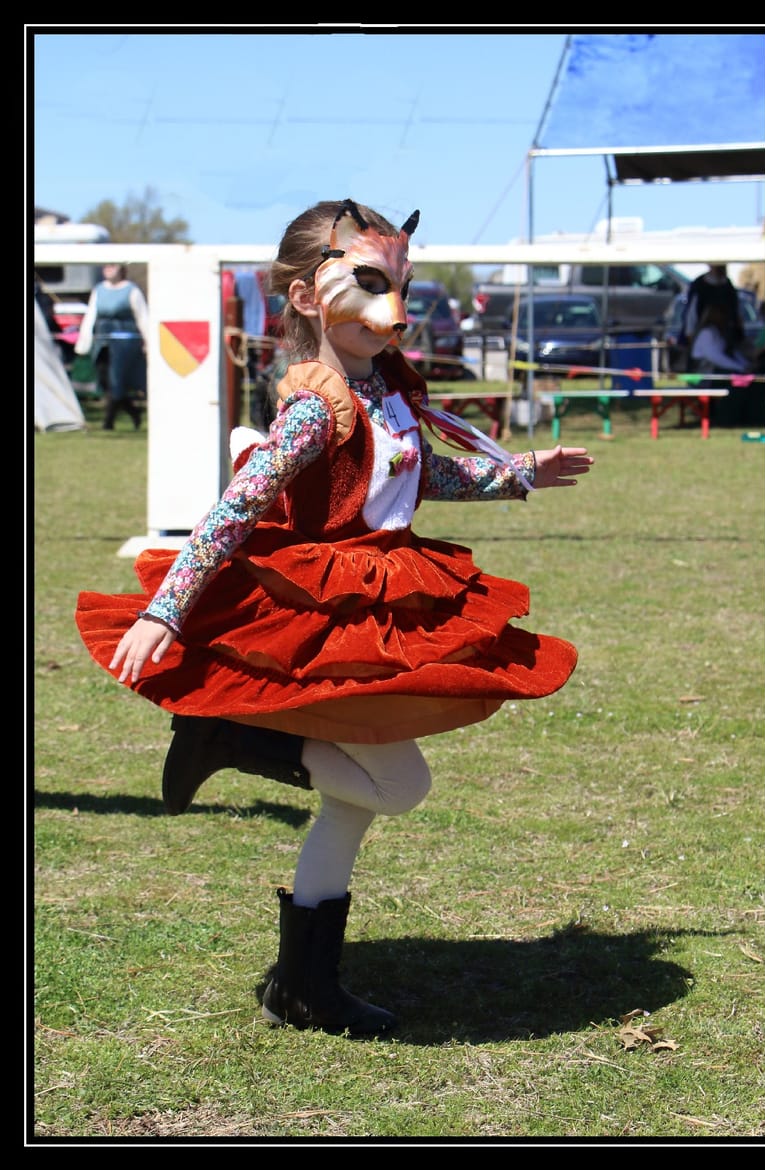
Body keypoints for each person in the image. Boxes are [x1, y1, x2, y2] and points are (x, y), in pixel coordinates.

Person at [74, 199, 594, 1039]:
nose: (394, 311)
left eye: (404, 287)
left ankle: (306, 985)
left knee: (354, 804)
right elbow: (235, 508)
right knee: (401, 783)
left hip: (386, 595)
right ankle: (236, 740)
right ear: (311, 298)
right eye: (371, 283)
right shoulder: (318, 405)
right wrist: (168, 609)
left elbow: (418, 480)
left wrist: (516, 473)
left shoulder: (383, 387)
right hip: (328, 606)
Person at [74, 262, 148, 430]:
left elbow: (143, 317)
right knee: (105, 382)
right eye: (106, 266)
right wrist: (83, 342)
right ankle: (132, 411)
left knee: (117, 381)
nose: (108, 269)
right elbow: (90, 316)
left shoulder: (132, 290)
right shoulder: (99, 290)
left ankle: (108, 422)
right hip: (103, 342)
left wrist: (148, 343)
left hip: (125, 344)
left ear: (121, 269)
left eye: (112, 266)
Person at [690, 302, 753, 428]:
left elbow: (730, 354)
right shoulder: (707, 333)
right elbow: (715, 357)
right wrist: (740, 368)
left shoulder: (719, 333)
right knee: (737, 384)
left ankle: (744, 417)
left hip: (719, 374)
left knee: (747, 383)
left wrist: (746, 365)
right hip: (705, 377)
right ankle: (726, 419)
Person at [680, 263, 744, 366]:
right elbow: (691, 314)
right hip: (702, 331)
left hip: (725, 330)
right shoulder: (700, 284)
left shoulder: (727, 285)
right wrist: (690, 334)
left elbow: (735, 310)